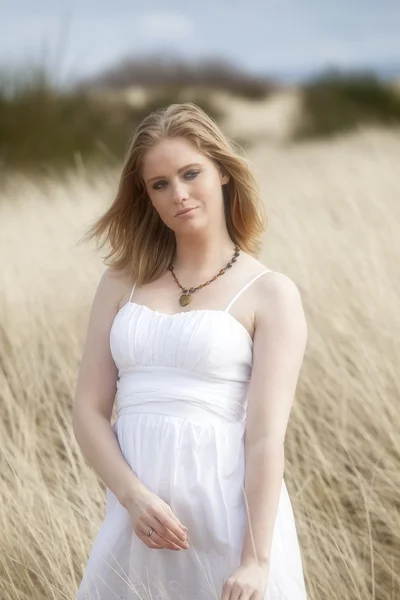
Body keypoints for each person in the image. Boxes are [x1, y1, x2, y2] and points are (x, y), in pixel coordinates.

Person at [73, 102, 308, 600]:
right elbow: (89, 411)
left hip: (229, 525)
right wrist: (133, 498)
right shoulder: (121, 282)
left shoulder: (271, 294)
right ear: (147, 197)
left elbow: (265, 438)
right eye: (160, 184)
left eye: (190, 173)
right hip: (138, 524)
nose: (178, 194)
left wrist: (256, 561)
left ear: (223, 171)